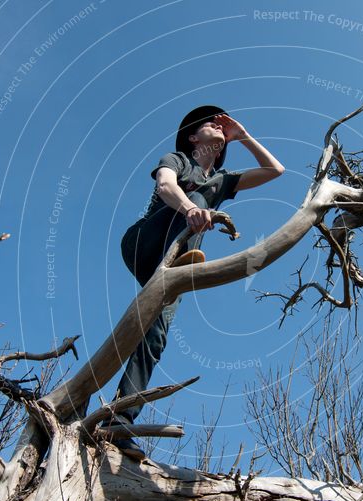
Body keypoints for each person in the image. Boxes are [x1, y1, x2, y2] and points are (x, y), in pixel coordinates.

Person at [108, 105, 284, 460]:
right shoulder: (177, 159)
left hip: (172, 265)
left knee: (155, 336)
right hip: (145, 242)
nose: (218, 124)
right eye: (210, 123)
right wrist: (190, 207)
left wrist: (243, 135)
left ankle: (118, 421)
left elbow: (275, 170)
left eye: (222, 124)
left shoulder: (223, 178)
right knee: (203, 197)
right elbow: (164, 185)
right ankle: (180, 261)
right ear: (193, 137)